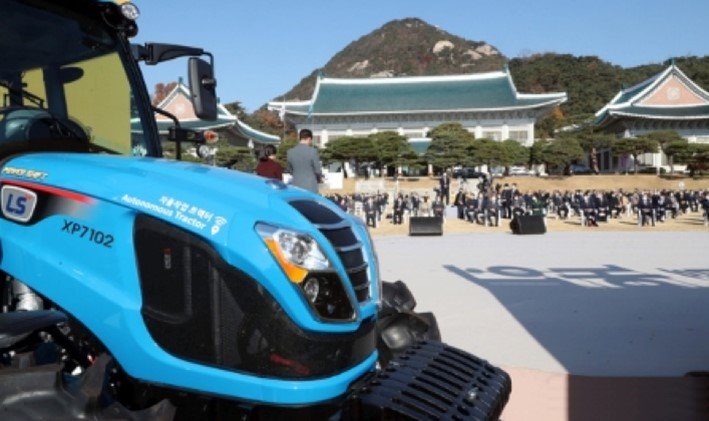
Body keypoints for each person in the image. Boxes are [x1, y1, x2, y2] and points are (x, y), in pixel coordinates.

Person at [286, 129, 323, 193]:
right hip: (311, 186)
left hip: (296, 185)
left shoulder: (290, 152)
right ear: (309, 138)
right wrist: (319, 178)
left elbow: (289, 169)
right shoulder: (313, 151)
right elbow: (318, 171)